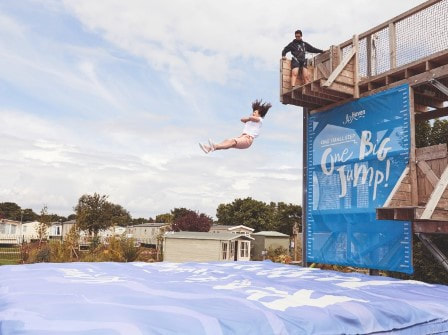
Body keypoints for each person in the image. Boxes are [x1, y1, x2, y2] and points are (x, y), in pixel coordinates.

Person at [199, 99, 272, 153]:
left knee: (232, 142)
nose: (253, 113)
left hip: (248, 139)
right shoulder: (251, 120)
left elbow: (252, 118)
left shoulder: (260, 119)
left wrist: (249, 118)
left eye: (255, 112)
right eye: (253, 112)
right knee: (228, 141)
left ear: (259, 114)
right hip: (242, 137)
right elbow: (242, 119)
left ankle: (214, 146)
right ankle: (209, 148)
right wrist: (249, 118)